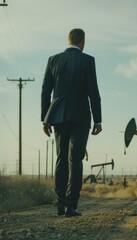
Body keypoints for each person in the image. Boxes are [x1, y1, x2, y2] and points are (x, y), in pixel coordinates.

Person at [41, 28, 102, 217]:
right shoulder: (87, 60)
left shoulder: (53, 60)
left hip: (58, 116)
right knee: (75, 160)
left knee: (61, 160)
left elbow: (45, 91)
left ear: (68, 41)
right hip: (81, 116)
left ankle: (59, 205)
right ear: (82, 42)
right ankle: (71, 206)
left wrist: (45, 118)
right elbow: (93, 92)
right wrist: (98, 120)